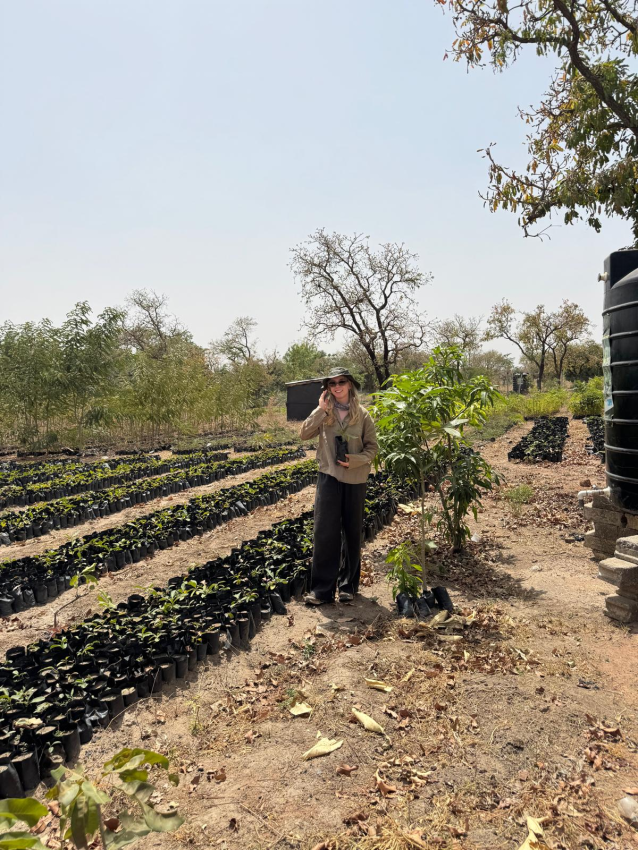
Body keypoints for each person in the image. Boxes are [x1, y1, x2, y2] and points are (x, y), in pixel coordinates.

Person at [299, 368, 378, 604]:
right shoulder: (325, 412)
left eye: (341, 381)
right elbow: (304, 434)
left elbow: (372, 448)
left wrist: (355, 460)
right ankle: (322, 590)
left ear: (349, 384)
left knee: (352, 532)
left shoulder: (363, 415)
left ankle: (348, 586)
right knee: (325, 532)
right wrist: (320, 410)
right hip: (329, 476)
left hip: (355, 478)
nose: (337, 386)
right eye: (331, 383)